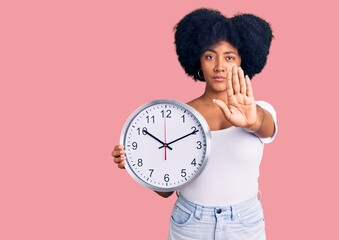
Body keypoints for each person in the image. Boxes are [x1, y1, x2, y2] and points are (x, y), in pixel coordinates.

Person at [112, 8, 277, 240]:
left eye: (229, 57)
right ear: (198, 60)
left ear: (243, 61)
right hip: (190, 222)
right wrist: (136, 167)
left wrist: (253, 119)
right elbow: (166, 189)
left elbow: (265, 126)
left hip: (244, 223)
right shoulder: (177, 116)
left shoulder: (260, 111)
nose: (219, 66)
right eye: (210, 56)